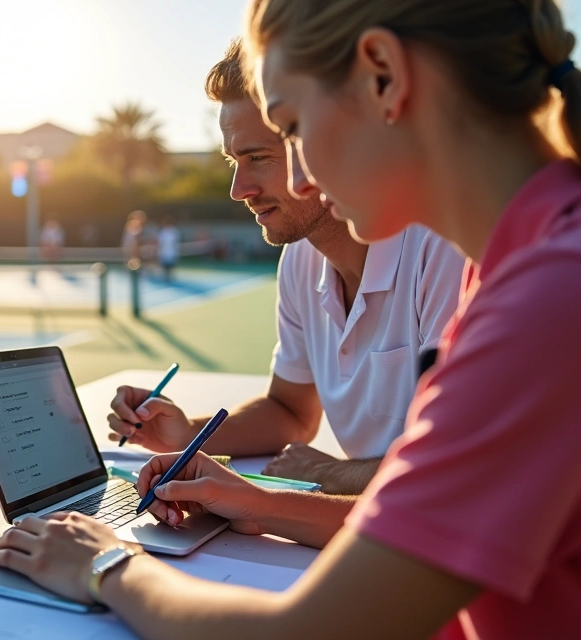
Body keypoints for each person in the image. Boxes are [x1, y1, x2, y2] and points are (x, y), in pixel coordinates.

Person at [0, 2, 581, 638]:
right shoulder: (554, 257)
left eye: (293, 127)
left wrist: (106, 565)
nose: (298, 178)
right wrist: (254, 502)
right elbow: (434, 532)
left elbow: (308, 634)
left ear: (383, 75)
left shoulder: (567, 296)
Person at [108, 39, 463, 498]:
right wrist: (186, 434)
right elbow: (291, 410)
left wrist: (332, 475)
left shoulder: (442, 246)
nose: (238, 189)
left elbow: (456, 463)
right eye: (234, 161)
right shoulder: (299, 257)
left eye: (259, 157)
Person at [156, 216, 181, 281]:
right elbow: (160, 243)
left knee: (170, 267)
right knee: (165, 267)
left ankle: (169, 277)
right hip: (164, 253)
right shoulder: (163, 232)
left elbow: (175, 243)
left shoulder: (174, 231)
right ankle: (166, 277)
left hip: (171, 252)